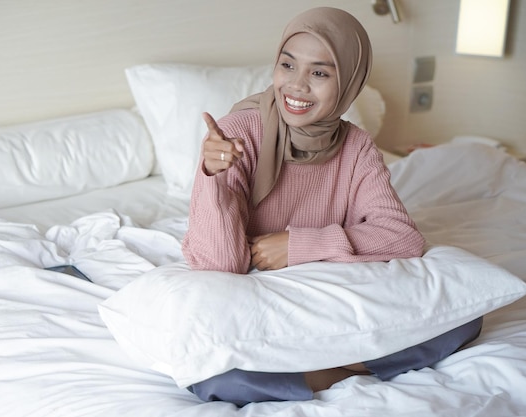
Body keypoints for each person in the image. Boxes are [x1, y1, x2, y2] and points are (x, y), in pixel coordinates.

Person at [181, 7, 482, 407]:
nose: (297, 85)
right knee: (214, 373)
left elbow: (402, 237)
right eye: (287, 65)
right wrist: (213, 177)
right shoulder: (237, 134)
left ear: (349, 82)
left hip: (331, 297)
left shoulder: (356, 147)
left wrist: (298, 245)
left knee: (466, 314)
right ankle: (353, 366)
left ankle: (325, 371)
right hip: (264, 303)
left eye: (320, 73)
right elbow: (222, 264)